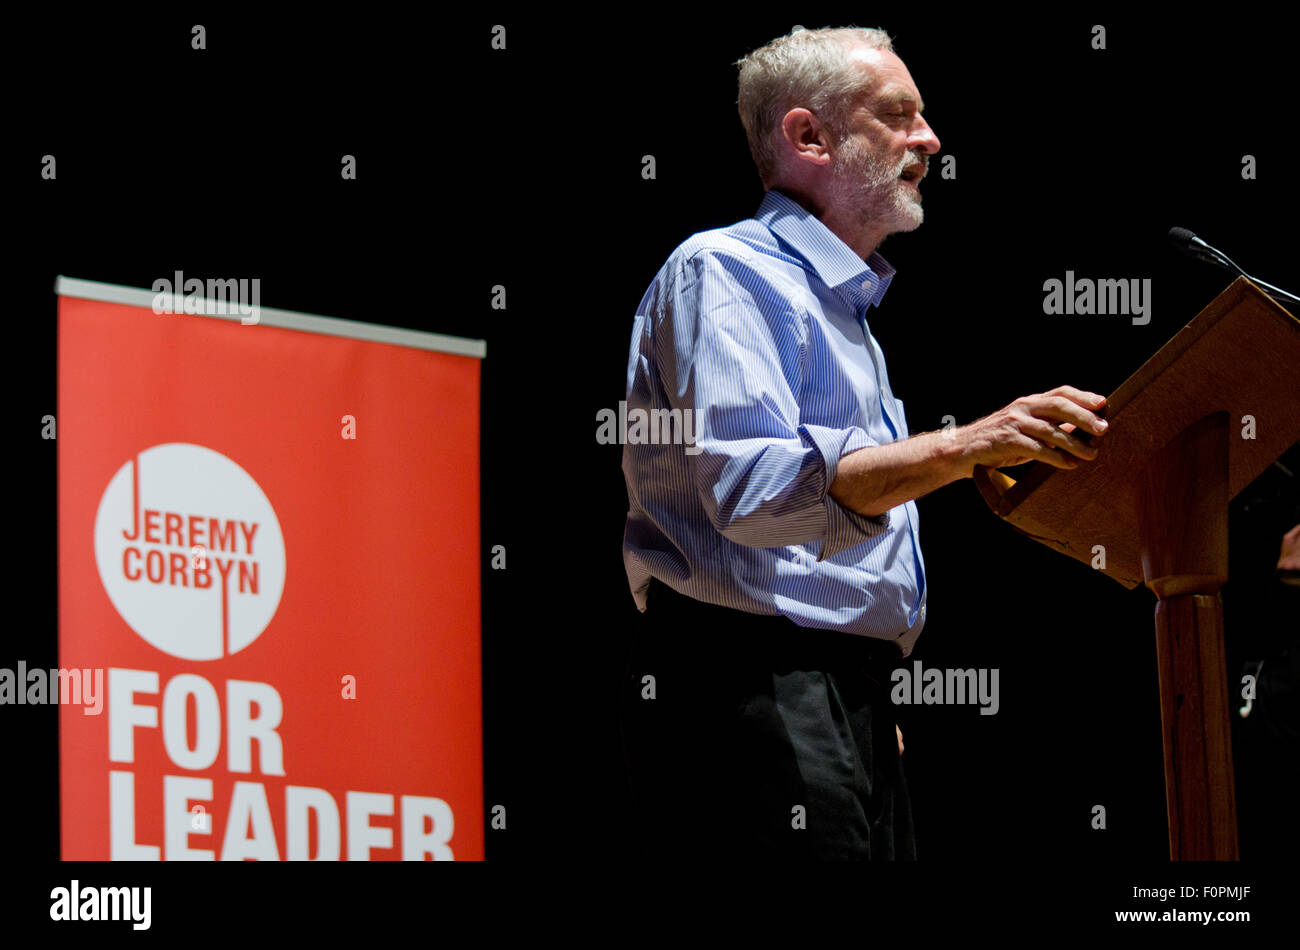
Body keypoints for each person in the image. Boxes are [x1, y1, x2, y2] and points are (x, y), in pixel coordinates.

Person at [617, 25, 1109, 860]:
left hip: (840, 692)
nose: (930, 138)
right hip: (757, 680)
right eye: (898, 115)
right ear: (808, 137)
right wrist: (966, 447)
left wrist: (863, 693)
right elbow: (756, 497)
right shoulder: (729, 271)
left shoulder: (847, 311)